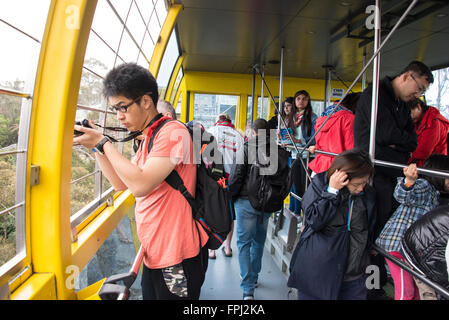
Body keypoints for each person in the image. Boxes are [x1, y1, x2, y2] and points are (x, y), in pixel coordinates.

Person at [73, 63, 209, 300]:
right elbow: (121, 183)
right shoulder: (149, 138)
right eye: (115, 109)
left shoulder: (173, 132)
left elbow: (141, 185)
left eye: (122, 107)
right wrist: (96, 148)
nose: (119, 116)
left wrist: (104, 142)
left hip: (177, 257)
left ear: (146, 101)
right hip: (154, 253)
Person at [353, 60, 434, 296]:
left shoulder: (400, 103)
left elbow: (412, 141)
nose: (418, 94)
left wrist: (394, 143)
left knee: (381, 237)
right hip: (373, 175)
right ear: (407, 76)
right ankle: (368, 289)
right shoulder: (376, 94)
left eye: (422, 92)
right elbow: (384, 134)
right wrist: (396, 144)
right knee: (370, 235)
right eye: (419, 88)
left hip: (391, 176)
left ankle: (375, 288)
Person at [288, 149, 376, 300]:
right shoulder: (320, 184)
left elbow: (370, 225)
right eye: (357, 184)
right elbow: (313, 221)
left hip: (353, 276)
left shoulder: (366, 195)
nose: (361, 188)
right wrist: (331, 191)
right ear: (343, 177)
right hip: (318, 273)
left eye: (364, 183)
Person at [376, 154, 449, 300]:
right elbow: (402, 195)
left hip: (407, 250)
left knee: (414, 291)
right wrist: (409, 181)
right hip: (397, 246)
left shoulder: (435, 194)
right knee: (406, 290)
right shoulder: (424, 187)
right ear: (437, 175)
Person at [228, 118, 274, 300]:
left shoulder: (245, 149)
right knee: (259, 241)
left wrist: (230, 197)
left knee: (243, 244)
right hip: (267, 204)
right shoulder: (276, 150)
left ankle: (248, 289)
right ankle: (254, 277)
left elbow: (236, 177)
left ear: (252, 132)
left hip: (246, 202)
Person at [207, 113, 244, 259]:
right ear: (230, 121)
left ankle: (211, 250)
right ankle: (227, 247)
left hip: (213, 180)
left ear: (218, 121)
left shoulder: (209, 132)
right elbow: (241, 163)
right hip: (230, 180)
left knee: (212, 212)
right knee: (229, 214)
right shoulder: (238, 136)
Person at [308, 92, 361, 174]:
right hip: (339, 168)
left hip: (320, 164)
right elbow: (351, 148)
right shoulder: (349, 118)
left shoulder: (325, 115)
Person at [408, 98, 449, 166]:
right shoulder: (416, 121)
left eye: (409, 113)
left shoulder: (434, 122)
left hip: (433, 166)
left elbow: (424, 151)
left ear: (418, 107)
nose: (408, 117)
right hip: (417, 163)